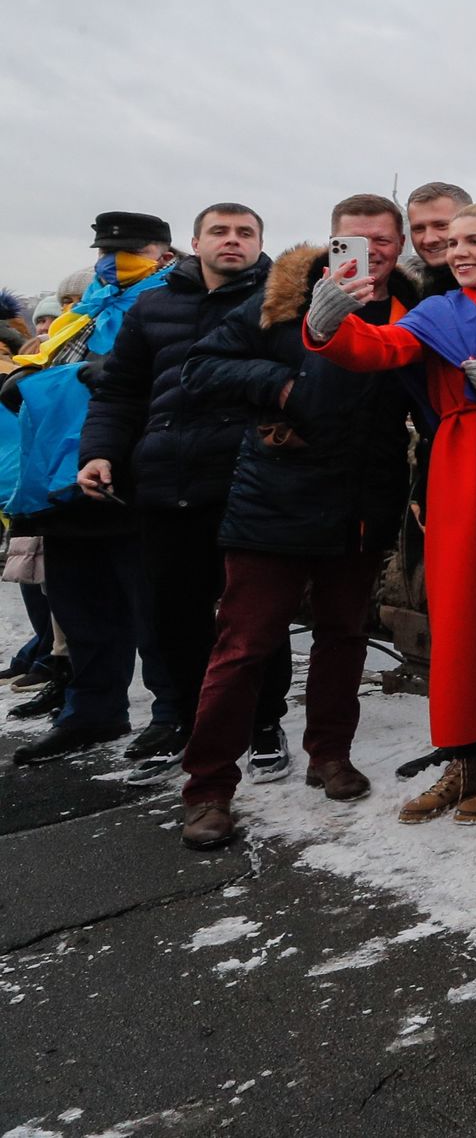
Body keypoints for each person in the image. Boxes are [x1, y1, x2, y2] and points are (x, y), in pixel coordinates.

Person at [310, 201, 476, 823]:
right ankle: (469, 757)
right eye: (452, 243)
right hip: (458, 468)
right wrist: (328, 326)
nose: (456, 252)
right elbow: (378, 349)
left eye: (472, 241)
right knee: (459, 613)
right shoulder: (437, 312)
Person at [170, 195, 416, 848]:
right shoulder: (282, 298)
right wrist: (279, 386)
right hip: (275, 498)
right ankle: (208, 786)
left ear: (400, 245)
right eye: (354, 240)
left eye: (382, 240)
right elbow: (199, 368)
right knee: (243, 646)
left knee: (344, 636)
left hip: (362, 500)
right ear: (331, 242)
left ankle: (329, 754)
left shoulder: (410, 308)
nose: (369, 252)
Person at [75, 203, 283, 783]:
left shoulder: (279, 302)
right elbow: (120, 391)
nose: (232, 240)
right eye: (220, 231)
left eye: (245, 233)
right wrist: (99, 452)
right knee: (174, 616)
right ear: (195, 242)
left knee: (255, 614)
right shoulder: (154, 305)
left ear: (259, 243)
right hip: (167, 479)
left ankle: (264, 720)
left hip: (249, 478)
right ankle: (189, 720)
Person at [6, 216, 181, 767]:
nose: (113, 260)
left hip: (135, 481)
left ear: (162, 253)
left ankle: (173, 714)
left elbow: (180, 377)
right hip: (62, 484)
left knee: (155, 613)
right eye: (106, 250)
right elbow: (52, 362)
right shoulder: (86, 310)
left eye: (128, 251)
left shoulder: (173, 302)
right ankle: (92, 710)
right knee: (82, 611)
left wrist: (99, 377)